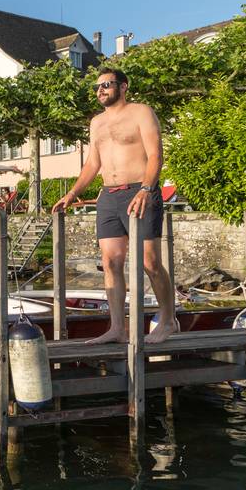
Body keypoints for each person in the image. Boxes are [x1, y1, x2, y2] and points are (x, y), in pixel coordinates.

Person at [52, 67, 176, 344]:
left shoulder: (141, 111)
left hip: (140, 190)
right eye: (97, 87)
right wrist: (72, 193)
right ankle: (118, 327)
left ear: (123, 86)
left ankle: (168, 320)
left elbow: (156, 153)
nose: (101, 90)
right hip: (108, 195)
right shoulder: (96, 123)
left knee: (150, 262)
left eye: (107, 84)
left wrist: (147, 188)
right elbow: (92, 164)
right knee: (110, 262)